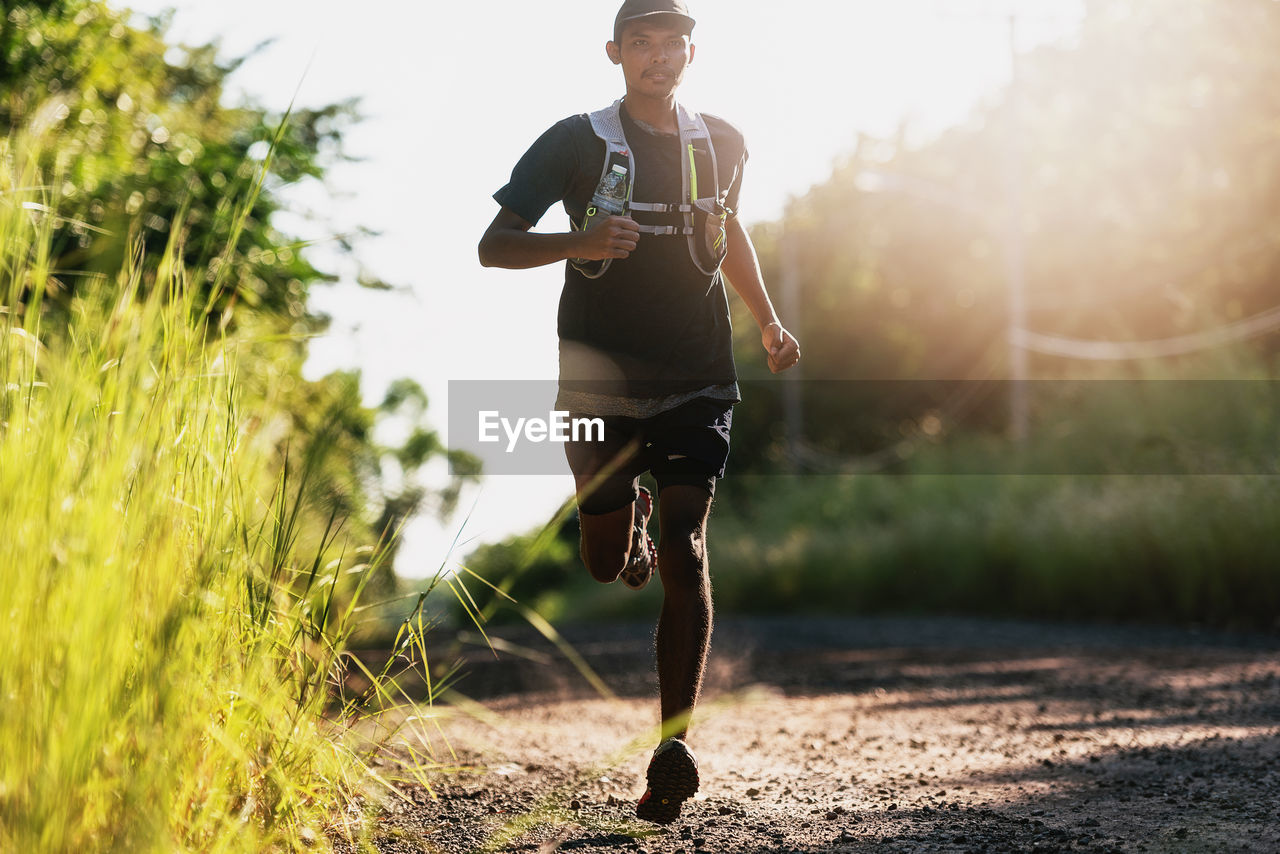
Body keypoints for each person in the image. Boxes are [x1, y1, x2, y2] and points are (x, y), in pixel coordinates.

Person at [477, 0, 800, 825]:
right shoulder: (574, 142)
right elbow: (494, 243)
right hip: (596, 385)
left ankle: (672, 748)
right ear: (616, 51)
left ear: (694, 49)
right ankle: (630, 528)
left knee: (688, 550)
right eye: (644, 42)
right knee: (600, 557)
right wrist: (576, 242)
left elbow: (728, 233)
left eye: (675, 42)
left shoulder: (722, 140)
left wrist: (765, 320)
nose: (661, 56)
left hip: (699, 375)